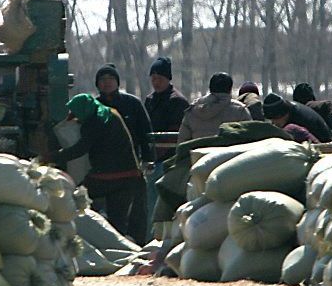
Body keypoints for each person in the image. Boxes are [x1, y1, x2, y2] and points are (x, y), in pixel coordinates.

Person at [51, 94, 148, 244]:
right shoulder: (110, 113)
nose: (76, 119)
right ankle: (120, 253)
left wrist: (53, 158)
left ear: (83, 110)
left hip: (105, 177)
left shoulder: (94, 121)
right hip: (130, 176)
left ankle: (76, 240)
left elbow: (80, 149)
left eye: (76, 115)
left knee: (74, 199)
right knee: (118, 223)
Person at [143, 57, 191, 237]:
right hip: (152, 160)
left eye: (159, 78)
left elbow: (177, 133)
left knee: (165, 204)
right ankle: (151, 238)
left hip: (169, 161)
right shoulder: (150, 100)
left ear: (168, 79)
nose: (156, 82)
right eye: (153, 78)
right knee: (151, 204)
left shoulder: (177, 102)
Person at [95, 64, 155, 166]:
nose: (107, 82)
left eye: (111, 78)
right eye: (103, 79)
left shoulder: (132, 103)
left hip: (130, 161)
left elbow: (145, 133)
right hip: (101, 162)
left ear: (117, 82)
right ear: (97, 83)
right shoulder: (93, 106)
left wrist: (148, 159)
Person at [177, 72, 252, 143]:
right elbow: (249, 138)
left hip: (197, 155)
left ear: (210, 88)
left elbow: (183, 140)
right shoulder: (240, 111)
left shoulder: (193, 110)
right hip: (230, 156)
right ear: (230, 89)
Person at [261, 92, 332, 143]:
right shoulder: (291, 112)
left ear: (283, 113)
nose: (274, 123)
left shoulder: (298, 122)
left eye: (275, 119)